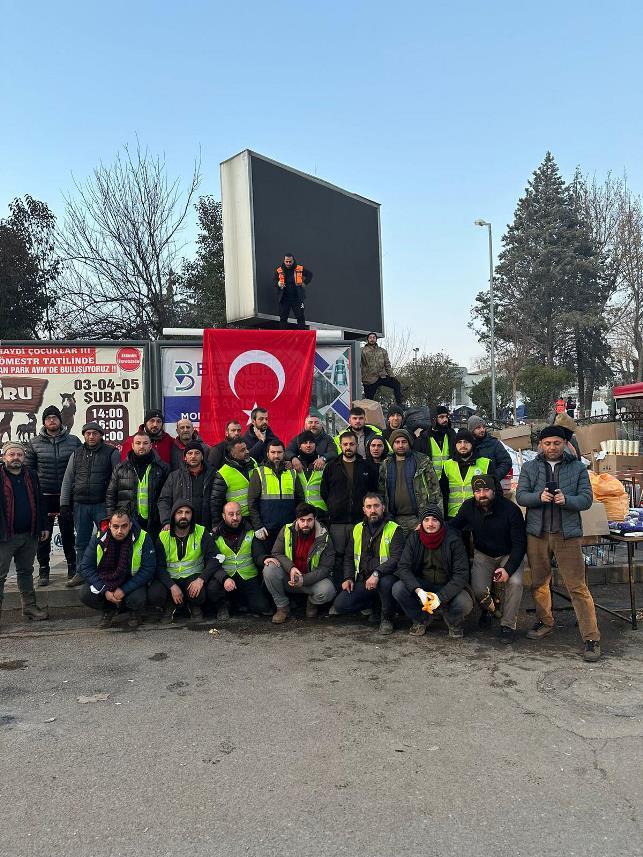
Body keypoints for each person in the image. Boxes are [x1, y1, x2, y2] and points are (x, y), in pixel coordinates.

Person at [516, 425, 600, 661]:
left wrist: (567, 500)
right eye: (547, 443)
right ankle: (545, 621)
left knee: (577, 586)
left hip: (567, 534)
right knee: (539, 583)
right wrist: (538, 497)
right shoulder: (530, 467)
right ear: (540, 445)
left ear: (564, 444)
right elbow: (521, 495)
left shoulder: (578, 468)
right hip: (537, 534)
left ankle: (591, 637)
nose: (551, 447)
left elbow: (586, 499)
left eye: (556, 443)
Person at [451, 474, 526, 642]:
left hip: (509, 554)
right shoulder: (468, 506)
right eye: (477, 491)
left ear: (494, 490)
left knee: (515, 583)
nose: (482, 494)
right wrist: (432, 525)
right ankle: (489, 610)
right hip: (483, 554)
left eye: (486, 490)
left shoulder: (511, 510)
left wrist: (508, 569)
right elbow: (455, 525)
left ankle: (507, 625)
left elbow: (520, 544)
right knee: (478, 590)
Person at [392, 505, 473, 638]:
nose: (430, 524)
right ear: (421, 522)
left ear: (441, 522)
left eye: (435, 520)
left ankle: (453, 621)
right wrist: (418, 590)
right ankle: (421, 619)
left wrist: (440, 597)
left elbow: (461, 574)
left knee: (464, 603)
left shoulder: (454, 539)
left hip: (447, 584)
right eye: (426, 520)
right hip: (423, 584)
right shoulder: (414, 538)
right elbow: (403, 567)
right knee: (398, 588)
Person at [330, 493, 404, 635]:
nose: (372, 510)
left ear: (383, 507)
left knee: (386, 583)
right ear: (364, 510)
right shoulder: (357, 528)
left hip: (387, 578)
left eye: (376, 506)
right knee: (341, 605)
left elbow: (396, 559)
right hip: (364, 579)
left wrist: (377, 573)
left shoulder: (395, 529)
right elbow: (349, 557)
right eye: (368, 507)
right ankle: (375, 606)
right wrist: (348, 577)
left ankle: (387, 618)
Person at [24, 404, 81, 586]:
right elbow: (29, 471)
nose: (52, 420)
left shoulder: (73, 441)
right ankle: (43, 571)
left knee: (68, 533)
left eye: (54, 417)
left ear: (60, 420)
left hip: (67, 495)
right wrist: (34, 492)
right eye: (48, 418)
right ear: (44, 422)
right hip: (44, 496)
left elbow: (81, 467)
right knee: (43, 535)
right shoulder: (34, 443)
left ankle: (73, 567)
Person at [59, 422, 120, 587]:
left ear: (100, 435)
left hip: (103, 505)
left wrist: (116, 505)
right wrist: (64, 503)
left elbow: (118, 480)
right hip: (80, 505)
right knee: (81, 541)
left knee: (108, 539)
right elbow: (67, 480)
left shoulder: (111, 453)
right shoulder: (76, 454)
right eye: (87, 433)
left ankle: (108, 571)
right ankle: (81, 572)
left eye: (94, 433)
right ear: (84, 435)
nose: (91, 436)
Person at [78, 508, 156, 629]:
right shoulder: (98, 538)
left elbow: (148, 570)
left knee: (137, 598)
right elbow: (86, 567)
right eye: (115, 526)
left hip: (131, 580)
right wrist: (105, 590)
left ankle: (133, 612)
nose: (119, 531)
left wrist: (123, 590)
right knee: (85, 594)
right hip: (106, 580)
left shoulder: (144, 538)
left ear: (130, 525)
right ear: (109, 525)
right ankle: (109, 610)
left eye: (124, 526)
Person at [0, 441, 49, 625]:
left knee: (26, 571)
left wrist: (43, 526)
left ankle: (29, 606)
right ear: (4, 457)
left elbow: (39, 501)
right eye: (11, 454)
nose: (15, 458)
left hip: (29, 534)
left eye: (19, 455)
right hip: (5, 536)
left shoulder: (31, 475)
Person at [148, 500, 219, 622]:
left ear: (192, 515)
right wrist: (172, 586)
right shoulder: (163, 536)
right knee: (155, 594)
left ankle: (193, 605)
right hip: (170, 579)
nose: (183, 516)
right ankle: (169, 604)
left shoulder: (201, 532)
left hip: (193, 578)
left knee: (199, 594)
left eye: (187, 512)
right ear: (173, 515)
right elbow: (158, 566)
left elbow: (215, 557)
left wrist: (201, 579)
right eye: (179, 512)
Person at [321, 431, 377, 586]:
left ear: (357, 445)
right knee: (337, 558)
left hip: (360, 522)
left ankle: (360, 593)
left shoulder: (366, 466)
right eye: (345, 444)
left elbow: (373, 491)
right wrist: (335, 506)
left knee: (360, 556)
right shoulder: (331, 467)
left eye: (351, 444)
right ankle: (339, 592)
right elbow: (324, 492)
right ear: (340, 446)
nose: (348, 447)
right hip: (338, 523)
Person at [264, 503, 336, 623]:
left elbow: (326, 567)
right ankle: (282, 607)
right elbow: (276, 553)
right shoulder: (286, 530)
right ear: (297, 519)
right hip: (289, 578)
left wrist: (304, 579)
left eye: (309, 520)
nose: (305, 524)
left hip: (311, 580)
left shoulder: (324, 535)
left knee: (328, 590)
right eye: (302, 520)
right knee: (269, 568)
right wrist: (291, 568)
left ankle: (312, 602)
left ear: (315, 519)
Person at [207, 501, 272, 619]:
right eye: (231, 514)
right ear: (223, 516)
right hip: (226, 578)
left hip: (248, 576)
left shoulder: (251, 531)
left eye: (238, 514)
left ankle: (241, 603)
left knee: (262, 607)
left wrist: (265, 559)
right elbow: (212, 562)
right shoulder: (215, 536)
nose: (235, 518)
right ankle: (222, 605)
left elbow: (258, 554)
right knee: (212, 588)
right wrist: (224, 578)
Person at [378, 429, 442, 536]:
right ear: (392, 444)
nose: (401, 445)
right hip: (394, 520)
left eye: (404, 442)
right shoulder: (386, 464)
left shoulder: (422, 461)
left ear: (409, 443)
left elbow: (435, 491)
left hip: (418, 519)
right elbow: (381, 493)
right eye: (397, 442)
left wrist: (434, 518)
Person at [106, 432, 169, 538]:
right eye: (138, 443)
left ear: (150, 445)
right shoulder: (120, 468)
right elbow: (111, 495)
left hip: (154, 521)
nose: (141, 446)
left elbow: (167, 497)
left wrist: (165, 519)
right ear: (132, 445)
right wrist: (111, 518)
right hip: (128, 521)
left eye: (145, 443)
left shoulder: (162, 468)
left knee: (152, 552)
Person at [248, 439, 304, 550]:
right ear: (267, 454)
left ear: (284, 453)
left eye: (279, 452)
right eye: (273, 452)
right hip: (267, 530)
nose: (276, 455)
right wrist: (258, 526)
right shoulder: (259, 472)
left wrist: (299, 521)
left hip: (289, 528)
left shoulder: (292, 472)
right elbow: (252, 503)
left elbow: (300, 500)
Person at [158, 442, 216, 531]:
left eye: (197, 453)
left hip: (207, 527)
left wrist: (216, 524)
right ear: (185, 457)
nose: (193, 456)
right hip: (181, 526)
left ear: (202, 456)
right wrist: (166, 521)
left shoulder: (213, 475)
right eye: (190, 453)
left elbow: (218, 501)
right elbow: (164, 500)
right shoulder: (174, 476)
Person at [441, 428, 495, 518]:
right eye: (459, 442)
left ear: (472, 444)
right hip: (454, 516)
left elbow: (496, 492)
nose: (463, 445)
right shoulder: (447, 465)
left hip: (479, 515)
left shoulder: (486, 463)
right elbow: (443, 494)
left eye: (466, 442)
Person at [210, 438, 257, 523]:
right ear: (233, 454)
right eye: (242, 450)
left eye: (246, 448)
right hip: (236, 519)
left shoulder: (253, 463)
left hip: (256, 515)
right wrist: (216, 523)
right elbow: (216, 501)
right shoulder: (223, 473)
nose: (247, 452)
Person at [291, 431, 328, 519]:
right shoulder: (292, 465)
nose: (308, 445)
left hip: (321, 513)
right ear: (299, 446)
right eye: (305, 443)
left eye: (311, 442)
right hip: (300, 515)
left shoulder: (324, 464)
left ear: (315, 445)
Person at [413, 406, 456, 480]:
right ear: (434, 419)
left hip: (450, 480)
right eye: (441, 417)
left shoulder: (452, 435)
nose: (445, 420)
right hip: (431, 482)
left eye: (446, 417)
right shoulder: (423, 439)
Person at [360, 333, 403, 405]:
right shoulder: (362, 350)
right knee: (369, 400)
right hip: (369, 379)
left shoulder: (382, 351)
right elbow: (358, 363)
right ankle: (368, 413)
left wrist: (391, 375)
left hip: (382, 376)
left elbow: (387, 364)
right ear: (367, 339)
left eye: (374, 337)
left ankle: (400, 405)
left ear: (376, 339)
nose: (372, 339)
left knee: (397, 384)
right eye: (370, 337)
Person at [467, 416, 513, 482]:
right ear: (471, 430)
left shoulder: (494, 443)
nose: (482, 430)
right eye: (478, 428)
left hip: (491, 486)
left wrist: (494, 477)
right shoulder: (466, 444)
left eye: (483, 427)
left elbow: (506, 462)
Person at [273, 253, 313, 329]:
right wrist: (278, 283)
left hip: (297, 298)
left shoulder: (299, 268)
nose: (288, 263)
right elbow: (274, 280)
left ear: (293, 260)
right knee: (283, 318)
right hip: (284, 299)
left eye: (290, 261)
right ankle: (283, 337)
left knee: (300, 317)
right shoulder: (279, 270)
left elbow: (310, 275)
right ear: (284, 261)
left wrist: (304, 283)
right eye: (286, 261)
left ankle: (302, 337)